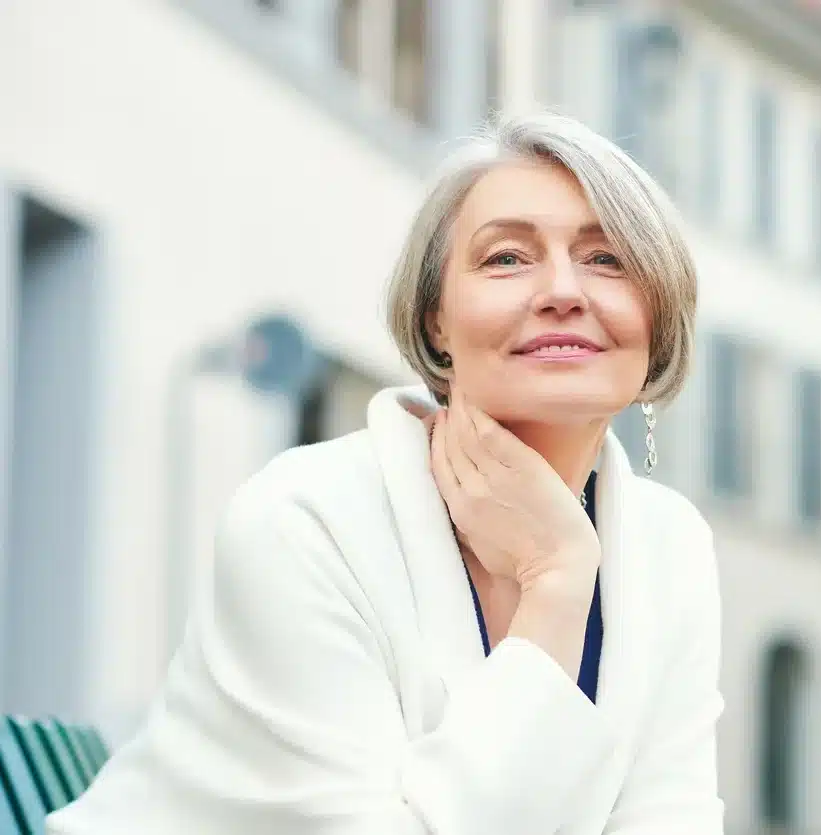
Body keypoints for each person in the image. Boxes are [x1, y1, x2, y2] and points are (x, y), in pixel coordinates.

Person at [46, 112, 724, 834]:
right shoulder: (302, 519)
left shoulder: (670, 544)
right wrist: (556, 581)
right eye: (506, 258)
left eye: (607, 258)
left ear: (658, 316)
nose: (563, 290)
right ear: (436, 321)